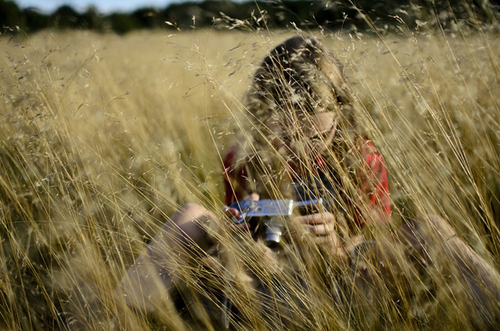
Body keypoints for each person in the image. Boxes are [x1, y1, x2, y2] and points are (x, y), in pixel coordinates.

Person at [116, 36, 499, 329]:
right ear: (262, 113)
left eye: (318, 138)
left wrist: (335, 245)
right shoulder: (243, 156)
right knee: (192, 216)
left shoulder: (362, 157)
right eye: (285, 135)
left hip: (348, 282)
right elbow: (237, 224)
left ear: (339, 117)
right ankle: (112, 319)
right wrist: (258, 247)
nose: (300, 149)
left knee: (431, 228)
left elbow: (377, 245)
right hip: (265, 283)